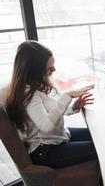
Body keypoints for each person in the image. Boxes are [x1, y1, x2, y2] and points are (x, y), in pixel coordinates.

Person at [0, 40, 98, 169]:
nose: (54, 69)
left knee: (99, 135)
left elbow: (53, 110)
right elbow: (46, 126)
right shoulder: (28, 93)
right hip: (45, 150)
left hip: (57, 136)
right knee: (101, 146)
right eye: (49, 68)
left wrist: (73, 107)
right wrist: (67, 96)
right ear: (34, 70)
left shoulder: (38, 84)